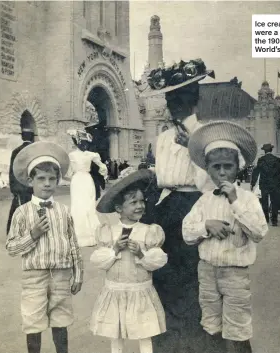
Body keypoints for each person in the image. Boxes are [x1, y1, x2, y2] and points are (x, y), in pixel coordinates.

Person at [140, 58, 215, 353]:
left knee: (190, 274)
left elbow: (210, 183)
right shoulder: (162, 137)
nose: (176, 106)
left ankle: (193, 339)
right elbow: (159, 177)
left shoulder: (206, 133)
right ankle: (168, 339)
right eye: (172, 99)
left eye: (182, 99)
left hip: (195, 204)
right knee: (161, 271)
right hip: (166, 204)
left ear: (194, 100)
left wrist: (192, 148)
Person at [183, 121, 268, 353]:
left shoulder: (248, 199)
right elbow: (187, 233)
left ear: (237, 168)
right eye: (216, 167)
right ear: (208, 169)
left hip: (235, 273)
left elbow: (259, 232)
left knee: (237, 327)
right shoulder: (204, 200)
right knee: (211, 323)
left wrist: (235, 202)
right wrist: (206, 226)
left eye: (228, 166)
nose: (222, 172)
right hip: (207, 270)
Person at [6, 141, 83, 353]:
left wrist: (78, 274)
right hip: (34, 277)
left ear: (57, 181)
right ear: (30, 181)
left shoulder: (64, 211)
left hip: (61, 274)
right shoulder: (21, 213)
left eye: (52, 179)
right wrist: (33, 235)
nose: (47, 184)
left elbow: (73, 244)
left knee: (61, 320)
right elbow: (12, 247)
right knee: (33, 321)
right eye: (41, 179)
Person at [90, 169, 167, 353]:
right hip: (115, 290)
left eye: (142, 201)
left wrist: (141, 254)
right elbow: (99, 261)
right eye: (133, 202)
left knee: (144, 333)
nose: (140, 206)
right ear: (119, 209)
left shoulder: (149, 231)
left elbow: (158, 260)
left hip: (139, 291)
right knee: (115, 334)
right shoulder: (109, 231)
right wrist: (114, 249)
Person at [67, 129, 107, 247]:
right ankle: (90, 234)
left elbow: (69, 172)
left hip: (78, 180)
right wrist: (104, 174)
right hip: (86, 179)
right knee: (85, 205)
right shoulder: (91, 155)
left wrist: (71, 175)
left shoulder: (72, 155)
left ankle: (82, 235)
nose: (84, 145)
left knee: (81, 205)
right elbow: (103, 167)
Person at [250, 143, 280, 227]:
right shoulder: (277, 160)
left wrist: (252, 183)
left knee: (264, 202)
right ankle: (274, 221)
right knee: (274, 202)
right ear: (271, 150)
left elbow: (256, 172)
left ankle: (266, 220)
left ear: (264, 151)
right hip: (275, 184)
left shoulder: (261, 160)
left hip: (264, 184)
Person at [6, 128, 35, 234]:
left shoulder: (16, 151)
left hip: (20, 186)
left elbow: (12, 171)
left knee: (18, 209)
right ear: (32, 137)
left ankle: (16, 232)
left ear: (22, 137)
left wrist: (14, 187)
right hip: (32, 186)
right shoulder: (35, 151)